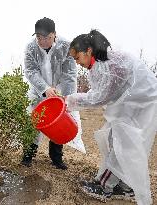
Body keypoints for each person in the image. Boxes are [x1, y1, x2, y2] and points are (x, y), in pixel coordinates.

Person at [66, 29, 157, 205]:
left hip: (144, 105)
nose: (77, 63)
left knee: (122, 143)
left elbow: (99, 97)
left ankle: (105, 185)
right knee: (122, 141)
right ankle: (125, 187)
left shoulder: (109, 63)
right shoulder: (99, 63)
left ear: (88, 51)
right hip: (136, 104)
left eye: (77, 58)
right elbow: (100, 92)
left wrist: (69, 100)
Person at [22, 17, 85, 170]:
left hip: (59, 90)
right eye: (39, 37)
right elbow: (30, 71)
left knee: (60, 121)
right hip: (38, 91)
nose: (42, 41)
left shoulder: (66, 46)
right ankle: (27, 156)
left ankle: (56, 158)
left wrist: (67, 98)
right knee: (34, 120)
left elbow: (69, 74)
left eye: (46, 37)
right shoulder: (31, 48)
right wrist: (44, 88)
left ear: (54, 34)